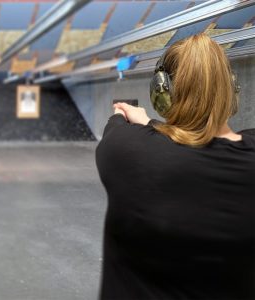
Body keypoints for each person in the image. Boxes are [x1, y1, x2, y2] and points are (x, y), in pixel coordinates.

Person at [95, 33, 255, 300]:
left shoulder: (125, 152)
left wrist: (144, 122)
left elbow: (118, 125)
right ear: (232, 87)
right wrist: (151, 127)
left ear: (162, 92)